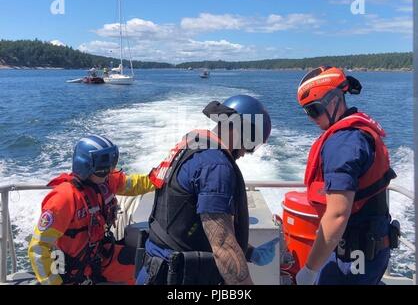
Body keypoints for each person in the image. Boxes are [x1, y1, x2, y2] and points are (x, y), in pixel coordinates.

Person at [136, 95, 279, 285]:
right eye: (251, 144)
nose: (246, 152)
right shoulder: (216, 167)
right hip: (175, 278)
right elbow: (222, 247)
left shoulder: (193, 147)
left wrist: (249, 251)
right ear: (241, 130)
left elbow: (191, 222)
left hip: (154, 269)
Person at [295, 66, 398, 285]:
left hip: (355, 257)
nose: (310, 118)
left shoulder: (343, 144)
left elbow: (338, 215)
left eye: (313, 110)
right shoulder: (356, 134)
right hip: (366, 248)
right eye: (306, 112)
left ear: (333, 101)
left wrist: (310, 270)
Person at [28, 135, 155, 285]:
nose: (108, 170)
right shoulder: (64, 198)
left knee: (152, 266)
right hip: (74, 273)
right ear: (85, 166)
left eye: (110, 164)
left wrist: (160, 177)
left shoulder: (106, 182)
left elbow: (134, 184)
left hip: (102, 258)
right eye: (103, 166)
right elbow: (38, 247)